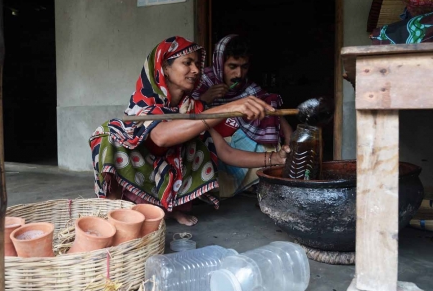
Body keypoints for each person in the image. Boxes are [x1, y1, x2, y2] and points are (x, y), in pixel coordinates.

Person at [90, 36, 287, 226]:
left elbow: (226, 152)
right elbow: (160, 137)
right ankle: (113, 210)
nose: (196, 70)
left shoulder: (192, 107)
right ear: (165, 67)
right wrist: (229, 108)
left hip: (168, 175)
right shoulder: (145, 100)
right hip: (141, 173)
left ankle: (170, 208)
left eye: (197, 64)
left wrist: (275, 158)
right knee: (108, 134)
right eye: (187, 63)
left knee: (196, 140)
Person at [191, 34, 293, 198]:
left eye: (244, 67)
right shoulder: (201, 82)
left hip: (234, 142)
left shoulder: (248, 88)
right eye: (232, 66)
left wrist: (291, 141)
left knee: (268, 120)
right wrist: (204, 100)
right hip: (217, 143)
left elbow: (274, 114)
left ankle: (252, 183)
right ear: (219, 63)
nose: (239, 73)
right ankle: (214, 187)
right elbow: (187, 116)